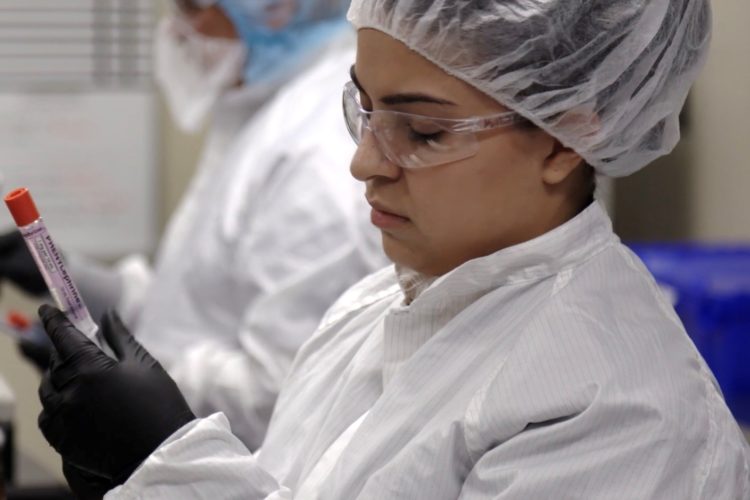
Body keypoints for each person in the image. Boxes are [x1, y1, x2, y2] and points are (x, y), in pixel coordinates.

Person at [35, 0, 750, 498]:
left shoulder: (613, 413)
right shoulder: (378, 303)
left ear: (566, 136)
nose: (363, 164)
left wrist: (170, 466)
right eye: (364, 110)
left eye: (424, 132)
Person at [2, 0, 384, 450]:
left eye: (191, 6)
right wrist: (76, 279)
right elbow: (202, 306)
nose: (176, 29)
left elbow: (275, 393)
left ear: (277, 8)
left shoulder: (318, 161)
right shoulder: (265, 108)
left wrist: (116, 376)